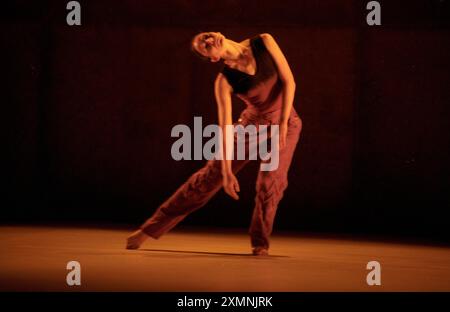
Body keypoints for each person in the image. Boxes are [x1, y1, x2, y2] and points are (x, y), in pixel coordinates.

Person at [126, 32, 302, 256]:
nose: (208, 41)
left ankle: (260, 243)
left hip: (287, 123)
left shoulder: (264, 42)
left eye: (206, 37)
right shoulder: (224, 81)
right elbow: (226, 129)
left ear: (218, 33)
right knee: (209, 177)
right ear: (213, 58)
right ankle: (148, 230)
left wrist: (284, 125)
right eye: (204, 46)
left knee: (270, 183)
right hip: (252, 126)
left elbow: (289, 82)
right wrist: (227, 172)